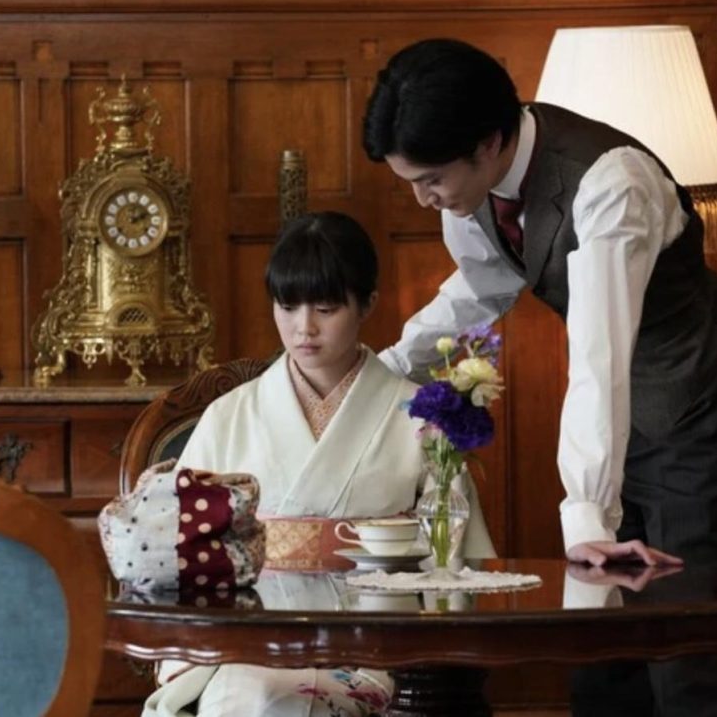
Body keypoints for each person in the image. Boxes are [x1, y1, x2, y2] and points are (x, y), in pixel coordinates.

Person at [363, 38, 717, 717]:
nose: (423, 199)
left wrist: (584, 517)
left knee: (684, 636)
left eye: (430, 180)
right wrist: (386, 369)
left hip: (694, 399)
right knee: (600, 646)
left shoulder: (611, 183)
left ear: (489, 143)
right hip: (617, 406)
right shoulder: (478, 191)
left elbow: (599, 355)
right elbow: (482, 286)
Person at [139, 210, 495, 717]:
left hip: (378, 648)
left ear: (368, 303)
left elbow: (454, 556)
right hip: (249, 645)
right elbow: (181, 549)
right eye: (288, 307)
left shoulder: (420, 417)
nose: (304, 328)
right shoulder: (229, 415)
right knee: (254, 697)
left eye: (326, 308)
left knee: (281, 699)